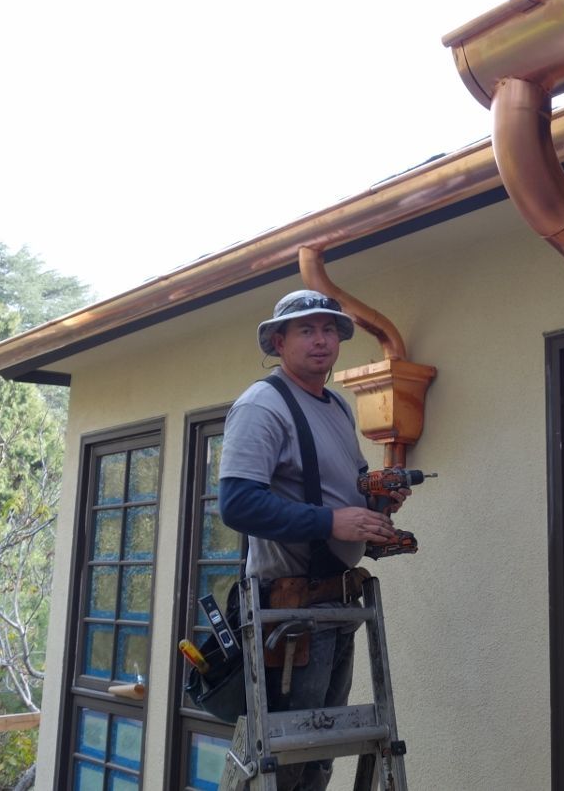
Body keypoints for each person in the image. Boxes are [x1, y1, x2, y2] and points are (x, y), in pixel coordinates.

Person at [219, 289, 407, 791]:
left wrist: (378, 507)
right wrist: (331, 523)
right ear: (278, 341)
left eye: (329, 330)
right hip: (290, 616)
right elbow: (237, 504)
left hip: (336, 605)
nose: (321, 340)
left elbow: (350, 493)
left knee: (319, 756)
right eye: (307, 330)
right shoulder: (263, 405)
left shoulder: (338, 408)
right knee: (288, 760)